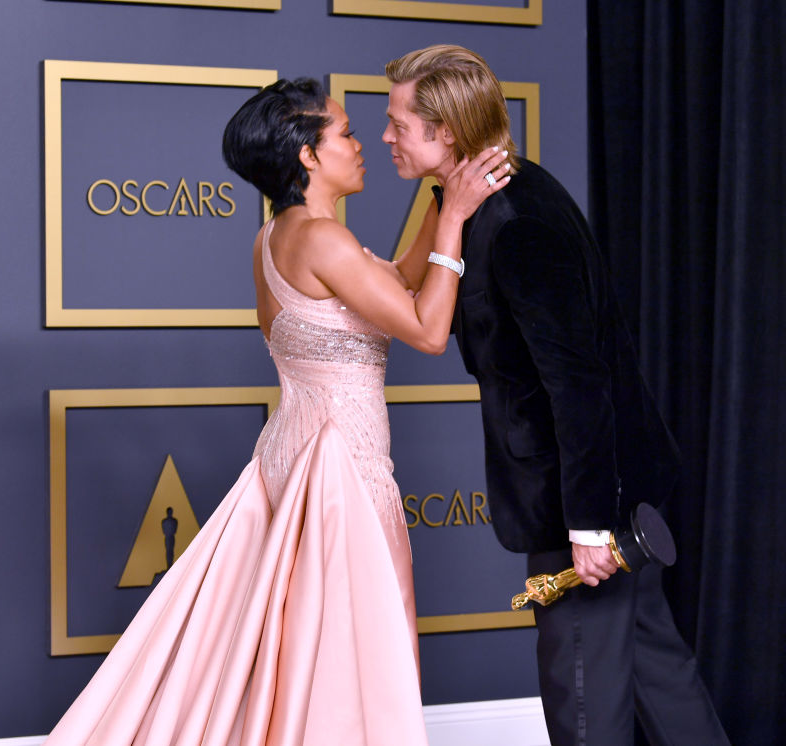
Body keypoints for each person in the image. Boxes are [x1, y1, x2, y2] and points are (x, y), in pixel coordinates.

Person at [43, 78, 508, 745]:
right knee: (359, 645)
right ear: (308, 156)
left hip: (290, 458)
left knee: (302, 646)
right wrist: (459, 219)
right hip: (339, 470)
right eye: (345, 133)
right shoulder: (322, 240)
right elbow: (428, 329)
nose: (361, 143)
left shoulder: (276, 238)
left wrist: (442, 196)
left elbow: (399, 280)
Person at [381, 44, 730, 746]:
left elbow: (577, 382)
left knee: (583, 706)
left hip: (585, 495)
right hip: (606, 484)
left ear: (446, 131)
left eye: (398, 123)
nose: (387, 135)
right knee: (662, 679)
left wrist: (590, 525)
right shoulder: (470, 199)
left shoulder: (518, 223)